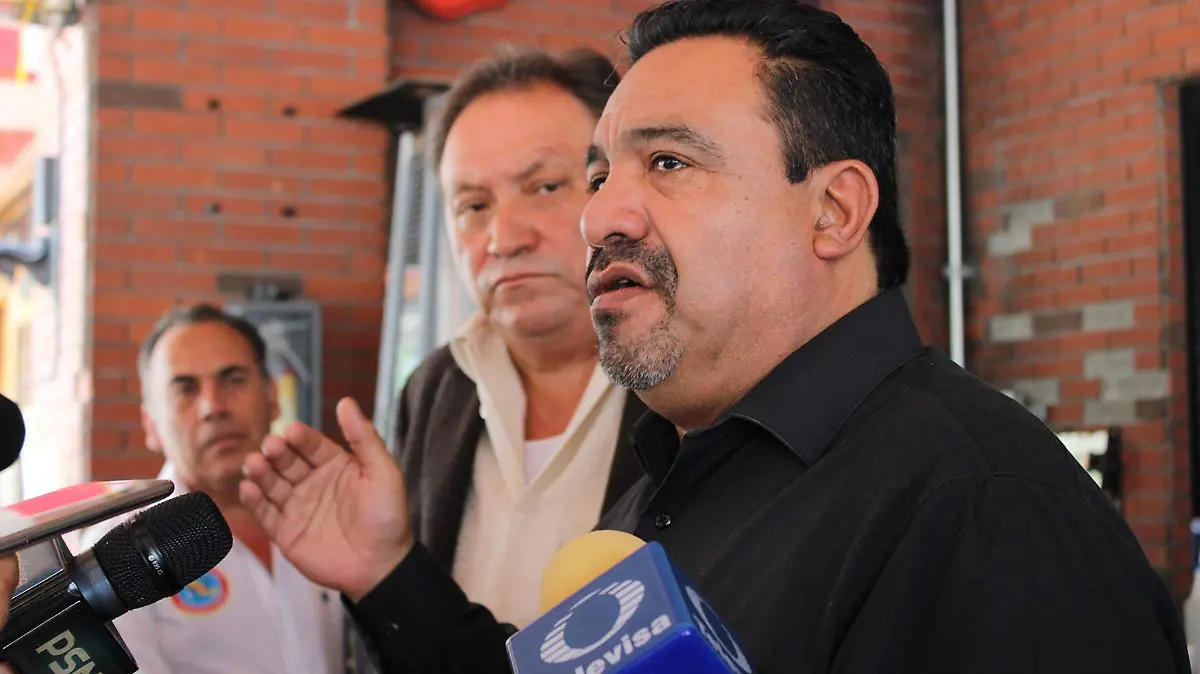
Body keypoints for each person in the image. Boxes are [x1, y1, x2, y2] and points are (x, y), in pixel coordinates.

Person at [240, 1, 1191, 672]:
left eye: (668, 162)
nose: (599, 216)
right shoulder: (674, 475)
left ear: (834, 210)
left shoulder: (983, 507)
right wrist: (387, 576)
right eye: (599, 174)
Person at [377, 45, 646, 633]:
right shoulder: (435, 389)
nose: (504, 238)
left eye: (545, 187)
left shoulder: (691, 380)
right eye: (473, 205)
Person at [79, 305, 344, 674]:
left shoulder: (327, 511)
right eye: (185, 389)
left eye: (233, 379)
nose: (213, 407)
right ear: (151, 424)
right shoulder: (116, 553)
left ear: (272, 397)